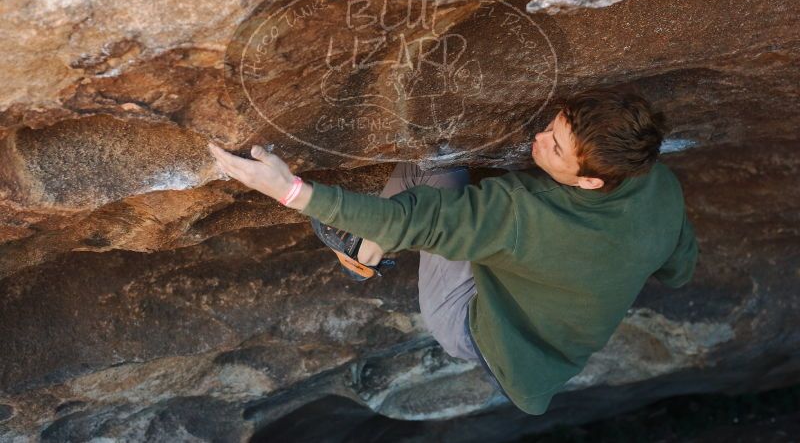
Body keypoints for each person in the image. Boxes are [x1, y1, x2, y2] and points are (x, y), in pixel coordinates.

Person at [207, 86, 699, 415]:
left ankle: (364, 250)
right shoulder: (661, 188)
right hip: (545, 358)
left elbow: (415, 216)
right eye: (553, 126)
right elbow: (679, 273)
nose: (538, 138)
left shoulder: (519, 212)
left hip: (471, 325)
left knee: (435, 164)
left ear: (590, 181)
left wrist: (288, 189)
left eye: (554, 147)